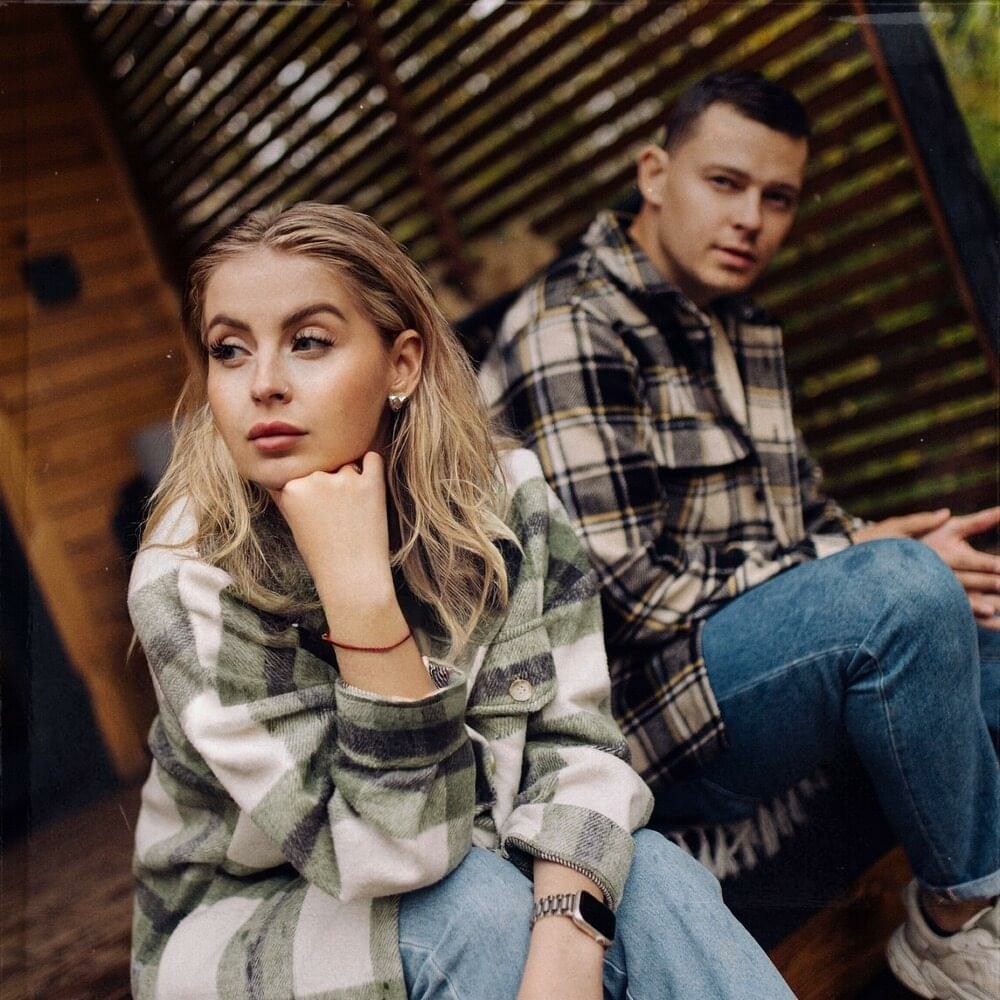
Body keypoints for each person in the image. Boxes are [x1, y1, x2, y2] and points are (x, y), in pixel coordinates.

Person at [127, 202, 796, 999]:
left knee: (649, 875)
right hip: (249, 915)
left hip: (477, 850)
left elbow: (576, 745)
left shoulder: (507, 500)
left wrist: (569, 931)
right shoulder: (189, 577)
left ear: (402, 364)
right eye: (230, 350)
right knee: (472, 907)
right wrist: (358, 591)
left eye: (308, 341)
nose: (263, 384)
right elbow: (400, 849)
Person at [479, 71, 1000, 999]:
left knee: (975, 605)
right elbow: (628, 591)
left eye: (778, 197)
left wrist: (897, 550)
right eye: (724, 183)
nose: (751, 219)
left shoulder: (741, 329)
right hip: (634, 713)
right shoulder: (570, 328)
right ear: (653, 174)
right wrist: (871, 562)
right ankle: (958, 921)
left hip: (739, 670)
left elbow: (799, 527)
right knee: (905, 593)